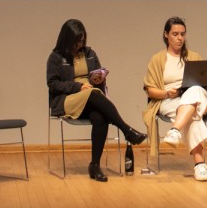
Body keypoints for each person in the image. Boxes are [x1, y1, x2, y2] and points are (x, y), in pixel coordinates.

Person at [46, 19, 147, 182]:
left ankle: (95, 166)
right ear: (67, 39)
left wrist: (99, 80)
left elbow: (98, 75)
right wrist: (77, 87)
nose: (80, 44)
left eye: (82, 40)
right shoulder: (56, 57)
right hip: (67, 101)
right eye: (77, 41)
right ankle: (126, 130)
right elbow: (52, 84)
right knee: (93, 94)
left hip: (90, 99)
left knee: (100, 117)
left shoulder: (90, 54)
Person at [143, 17, 207, 182]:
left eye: (182, 34)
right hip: (169, 101)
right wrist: (167, 93)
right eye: (175, 34)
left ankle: (175, 130)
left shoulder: (194, 56)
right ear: (166, 35)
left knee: (195, 90)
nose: (180, 38)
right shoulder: (158, 59)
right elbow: (150, 90)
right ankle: (199, 165)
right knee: (193, 114)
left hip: (197, 97)